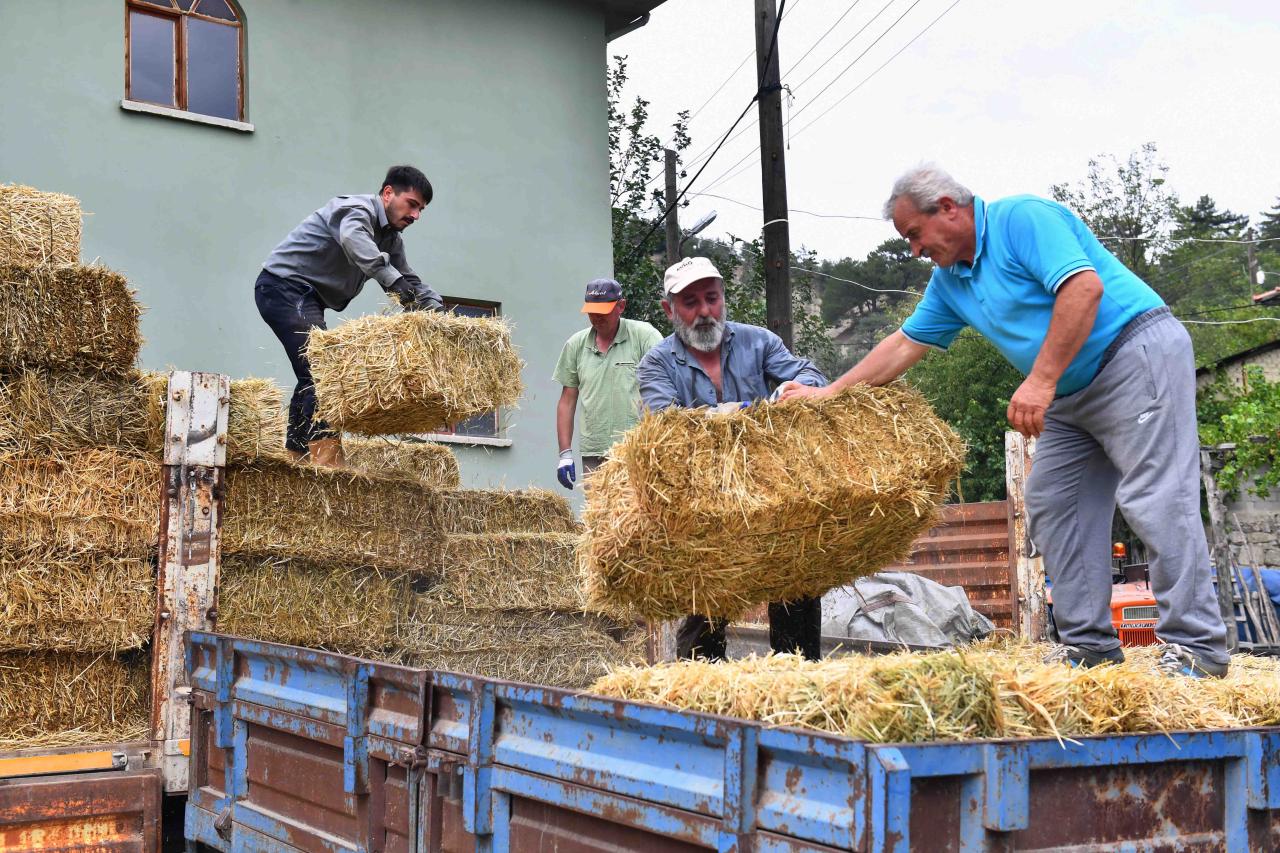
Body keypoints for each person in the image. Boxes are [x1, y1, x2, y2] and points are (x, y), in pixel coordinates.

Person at [779, 164, 1229, 678]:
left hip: (1133, 356)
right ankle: (1089, 648)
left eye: (914, 235)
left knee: (1155, 498)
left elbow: (1083, 290)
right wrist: (830, 393)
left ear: (947, 207)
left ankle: (1198, 648)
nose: (914, 251)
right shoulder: (950, 284)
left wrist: (1039, 381)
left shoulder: (1023, 219)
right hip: (1069, 391)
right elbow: (904, 343)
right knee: (1053, 502)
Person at [638, 256, 829, 661]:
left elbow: (811, 376)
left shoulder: (758, 341)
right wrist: (749, 412)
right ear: (668, 310)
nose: (705, 311)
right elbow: (669, 426)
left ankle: (801, 683)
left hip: (772, 492)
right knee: (703, 612)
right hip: (704, 504)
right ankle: (705, 700)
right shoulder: (656, 362)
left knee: (796, 583)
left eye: (712, 298)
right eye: (690, 302)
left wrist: (796, 389)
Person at [255, 165, 444, 467]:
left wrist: (436, 308)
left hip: (307, 297)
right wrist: (392, 281)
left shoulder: (391, 240)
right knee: (323, 368)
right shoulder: (355, 210)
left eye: (421, 209)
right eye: (412, 204)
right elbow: (357, 243)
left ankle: (295, 457)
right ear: (387, 194)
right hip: (282, 286)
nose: (415, 215)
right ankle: (327, 462)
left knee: (312, 373)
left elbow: (408, 278)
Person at [552, 278, 662, 489]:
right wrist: (565, 454)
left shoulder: (645, 336)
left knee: (637, 517)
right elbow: (567, 401)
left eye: (603, 311)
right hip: (594, 452)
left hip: (638, 449)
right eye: (592, 312)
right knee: (598, 518)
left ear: (621, 306)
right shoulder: (576, 344)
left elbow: (664, 387)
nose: (596, 317)